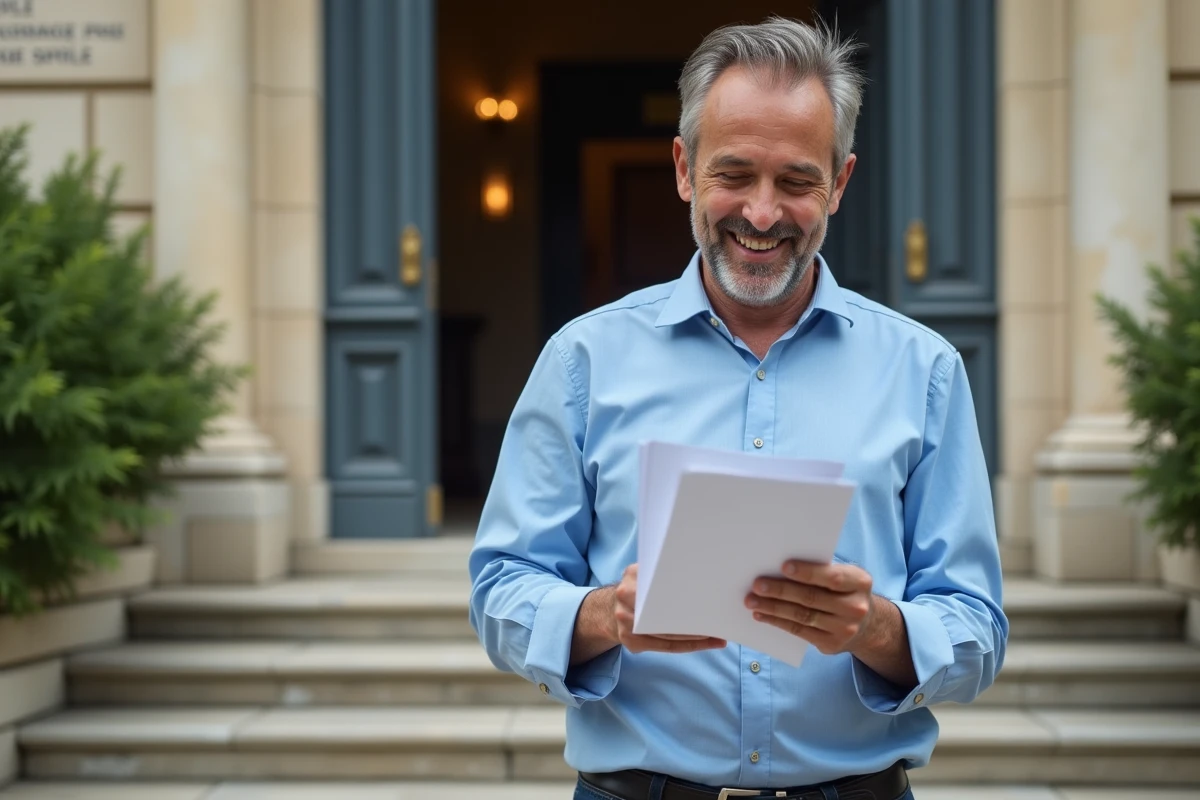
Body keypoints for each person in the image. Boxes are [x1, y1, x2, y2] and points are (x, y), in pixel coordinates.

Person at [468, 15, 1007, 800]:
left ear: (841, 182)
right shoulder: (584, 361)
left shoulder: (923, 371)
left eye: (795, 182)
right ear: (685, 169)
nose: (761, 214)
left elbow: (978, 627)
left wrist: (876, 628)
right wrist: (605, 616)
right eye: (734, 175)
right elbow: (502, 588)